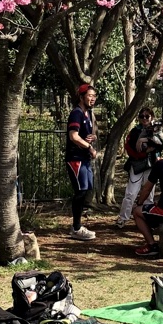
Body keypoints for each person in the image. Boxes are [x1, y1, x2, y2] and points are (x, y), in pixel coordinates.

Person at [116, 108, 163, 228]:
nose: (144, 119)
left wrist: (145, 140)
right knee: (131, 193)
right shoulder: (134, 131)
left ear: (152, 117)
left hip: (151, 165)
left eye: (147, 116)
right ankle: (123, 218)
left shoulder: (157, 130)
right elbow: (130, 147)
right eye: (141, 116)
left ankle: (147, 218)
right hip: (137, 164)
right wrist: (144, 151)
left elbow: (160, 144)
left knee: (149, 194)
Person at [66, 84, 99, 241]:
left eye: (94, 95)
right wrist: (90, 148)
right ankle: (76, 228)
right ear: (81, 97)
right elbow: (73, 136)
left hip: (84, 159)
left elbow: (90, 134)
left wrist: (93, 138)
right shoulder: (76, 113)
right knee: (80, 192)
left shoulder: (88, 114)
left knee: (85, 191)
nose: (92, 98)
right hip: (76, 158)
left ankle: (77, 226)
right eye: (89, 95)